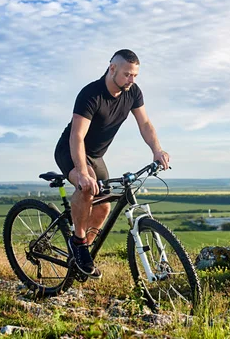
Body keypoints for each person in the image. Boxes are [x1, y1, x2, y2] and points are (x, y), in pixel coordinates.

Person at [54, 49, 170, 279]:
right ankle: (78, 242)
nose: (131, 80)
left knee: (104, 206)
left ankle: (81, 255)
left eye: (135, 75)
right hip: (72, 150)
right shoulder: (91, 94)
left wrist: (157, 150)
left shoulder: (133, 92)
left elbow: (145, 123)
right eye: (127, 74)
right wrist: (83, 173)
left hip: (96, 156)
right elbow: (77, 136)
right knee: (86, 187)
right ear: (112, 69)